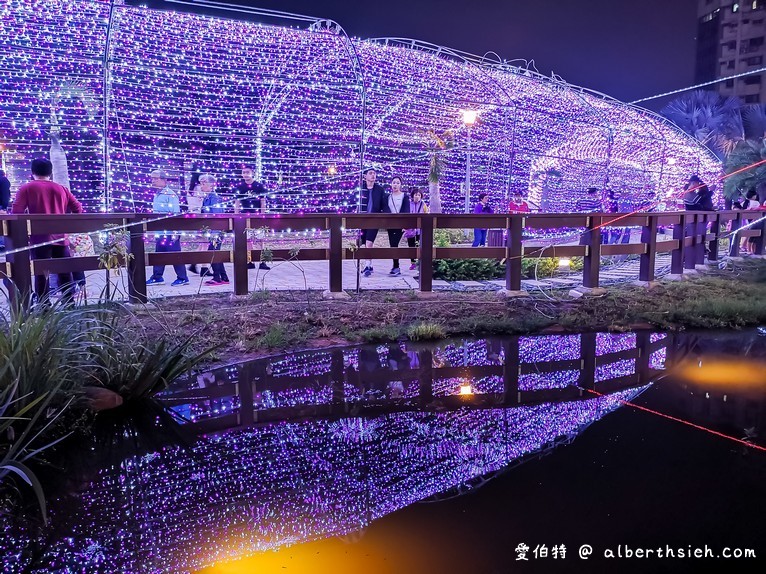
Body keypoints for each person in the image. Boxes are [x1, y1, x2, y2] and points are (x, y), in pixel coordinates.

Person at [11, 158, 83, 304]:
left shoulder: (27, 188)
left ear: (32, 172)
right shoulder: (61, 189)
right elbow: (78, 209)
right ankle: (69, 303)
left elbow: (16, 212)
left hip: (39, 238)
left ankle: (44, 305)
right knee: (64, 270)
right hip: (60, 236)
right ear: (51, 172)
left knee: (41, 272)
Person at [145, 169, 189, 286]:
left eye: (156, 178)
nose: (153, 181)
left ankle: (183, 277)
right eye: (152, 178)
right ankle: (157, 276)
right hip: (160, 230)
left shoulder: (170, 194)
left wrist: (175, 231)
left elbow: (176, 213)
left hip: (170, 230)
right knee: (159, 253)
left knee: (174, 253)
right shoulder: (157, 194)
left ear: (164, 180)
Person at [234, 164, 270, 270]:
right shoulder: (240, 187)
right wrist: (237, 215)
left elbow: (263, 202)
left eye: (247, 172)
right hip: (245, 216)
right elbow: (237, 202)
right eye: (243, 172)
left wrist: (262, 215)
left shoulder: (259, 186)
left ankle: (262, 261)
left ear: (252, 173)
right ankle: (250, 261)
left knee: (260, 239)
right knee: (248, 239)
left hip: (257, 215)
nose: (245, 174)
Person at [198, 174, 230, 285]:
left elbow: (217, 216)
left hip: (217, 231)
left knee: (212, 252)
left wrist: (214, 233)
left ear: (211, 185)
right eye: (201, 183)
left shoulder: (214, 198)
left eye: (204, 183)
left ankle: (217, 277)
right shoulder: (206, 198)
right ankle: (224, 277)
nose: (201, 185)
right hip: (211, 230)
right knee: (215, 252)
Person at [359, 168, 387, 277]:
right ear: (365, 176)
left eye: (374, 173)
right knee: (362, 243)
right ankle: (369, 264)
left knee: (369, 243)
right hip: (361, 220)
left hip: (374, 220)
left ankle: (367, 265)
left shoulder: (379, 189)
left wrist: (386, 218)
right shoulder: (361, 189)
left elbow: (384, 205)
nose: (373, 175)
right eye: (370, 173)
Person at [385, 176, 410, 276]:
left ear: (400, 185)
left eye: (398, 183)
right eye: (394, 182)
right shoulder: (388, 196)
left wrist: (405, 224)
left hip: (400, 224)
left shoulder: (405, 196)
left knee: (394, 244)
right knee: (392, 244)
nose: (395, 184)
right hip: (390, 224)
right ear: (391, 184)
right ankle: (395, 266)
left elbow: (406, 211)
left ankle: (396, 267)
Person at [404, 187, 428, 270]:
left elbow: (426, 215)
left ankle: (420, 262)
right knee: (411, 246)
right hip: (410, 229)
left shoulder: (423, 205)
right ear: (412, 196)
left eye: (419, 195)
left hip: (419, 229)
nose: (417, 196)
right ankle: (413, 263)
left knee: (419, 245)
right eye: (415, 195)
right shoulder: (408, 204)